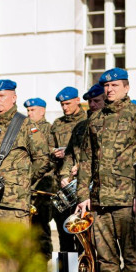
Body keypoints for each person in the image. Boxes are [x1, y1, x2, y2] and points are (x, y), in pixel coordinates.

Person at [76, 68, 136, 272]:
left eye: (115, 86)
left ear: (126, 88)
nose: (110, 90)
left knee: (131, 255)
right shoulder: (95, 118)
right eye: (106, 86)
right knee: (106, 256)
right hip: (99, 200)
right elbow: (85, 160)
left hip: (127, 198)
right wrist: (83, 196)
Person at [0, 81, 50, 226]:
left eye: (2, 96)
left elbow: (42, 160)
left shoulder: (26, 125)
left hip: (14, 204)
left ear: (13, 98)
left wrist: (21, 180)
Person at [49, 86, 87, 252]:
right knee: (64, 232)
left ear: (78, 101)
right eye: (62, 104)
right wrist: (54, 152)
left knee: (82, 233)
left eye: (68, 103)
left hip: (82, 183)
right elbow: (48, 147)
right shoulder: (58, 124)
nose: (65, 108)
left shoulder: (87, 120)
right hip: (63, 183)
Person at [23, 97, 54, 259]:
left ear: (42, 111)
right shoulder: (25, 128)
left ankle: (43, 263)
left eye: (32, 110)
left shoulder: (49, 130)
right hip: (28, 188)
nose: (29, 113)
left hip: (43, 187)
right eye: (28, 110)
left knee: (41, 228)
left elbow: (48, 158)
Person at [60, 83, 105, 187]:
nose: (92, 104)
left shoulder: (111, 125)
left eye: (97, 101)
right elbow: (69, 154)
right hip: (82, 184)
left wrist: (82, 165)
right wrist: (65, 176)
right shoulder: (81, 126)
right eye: (90, 101)